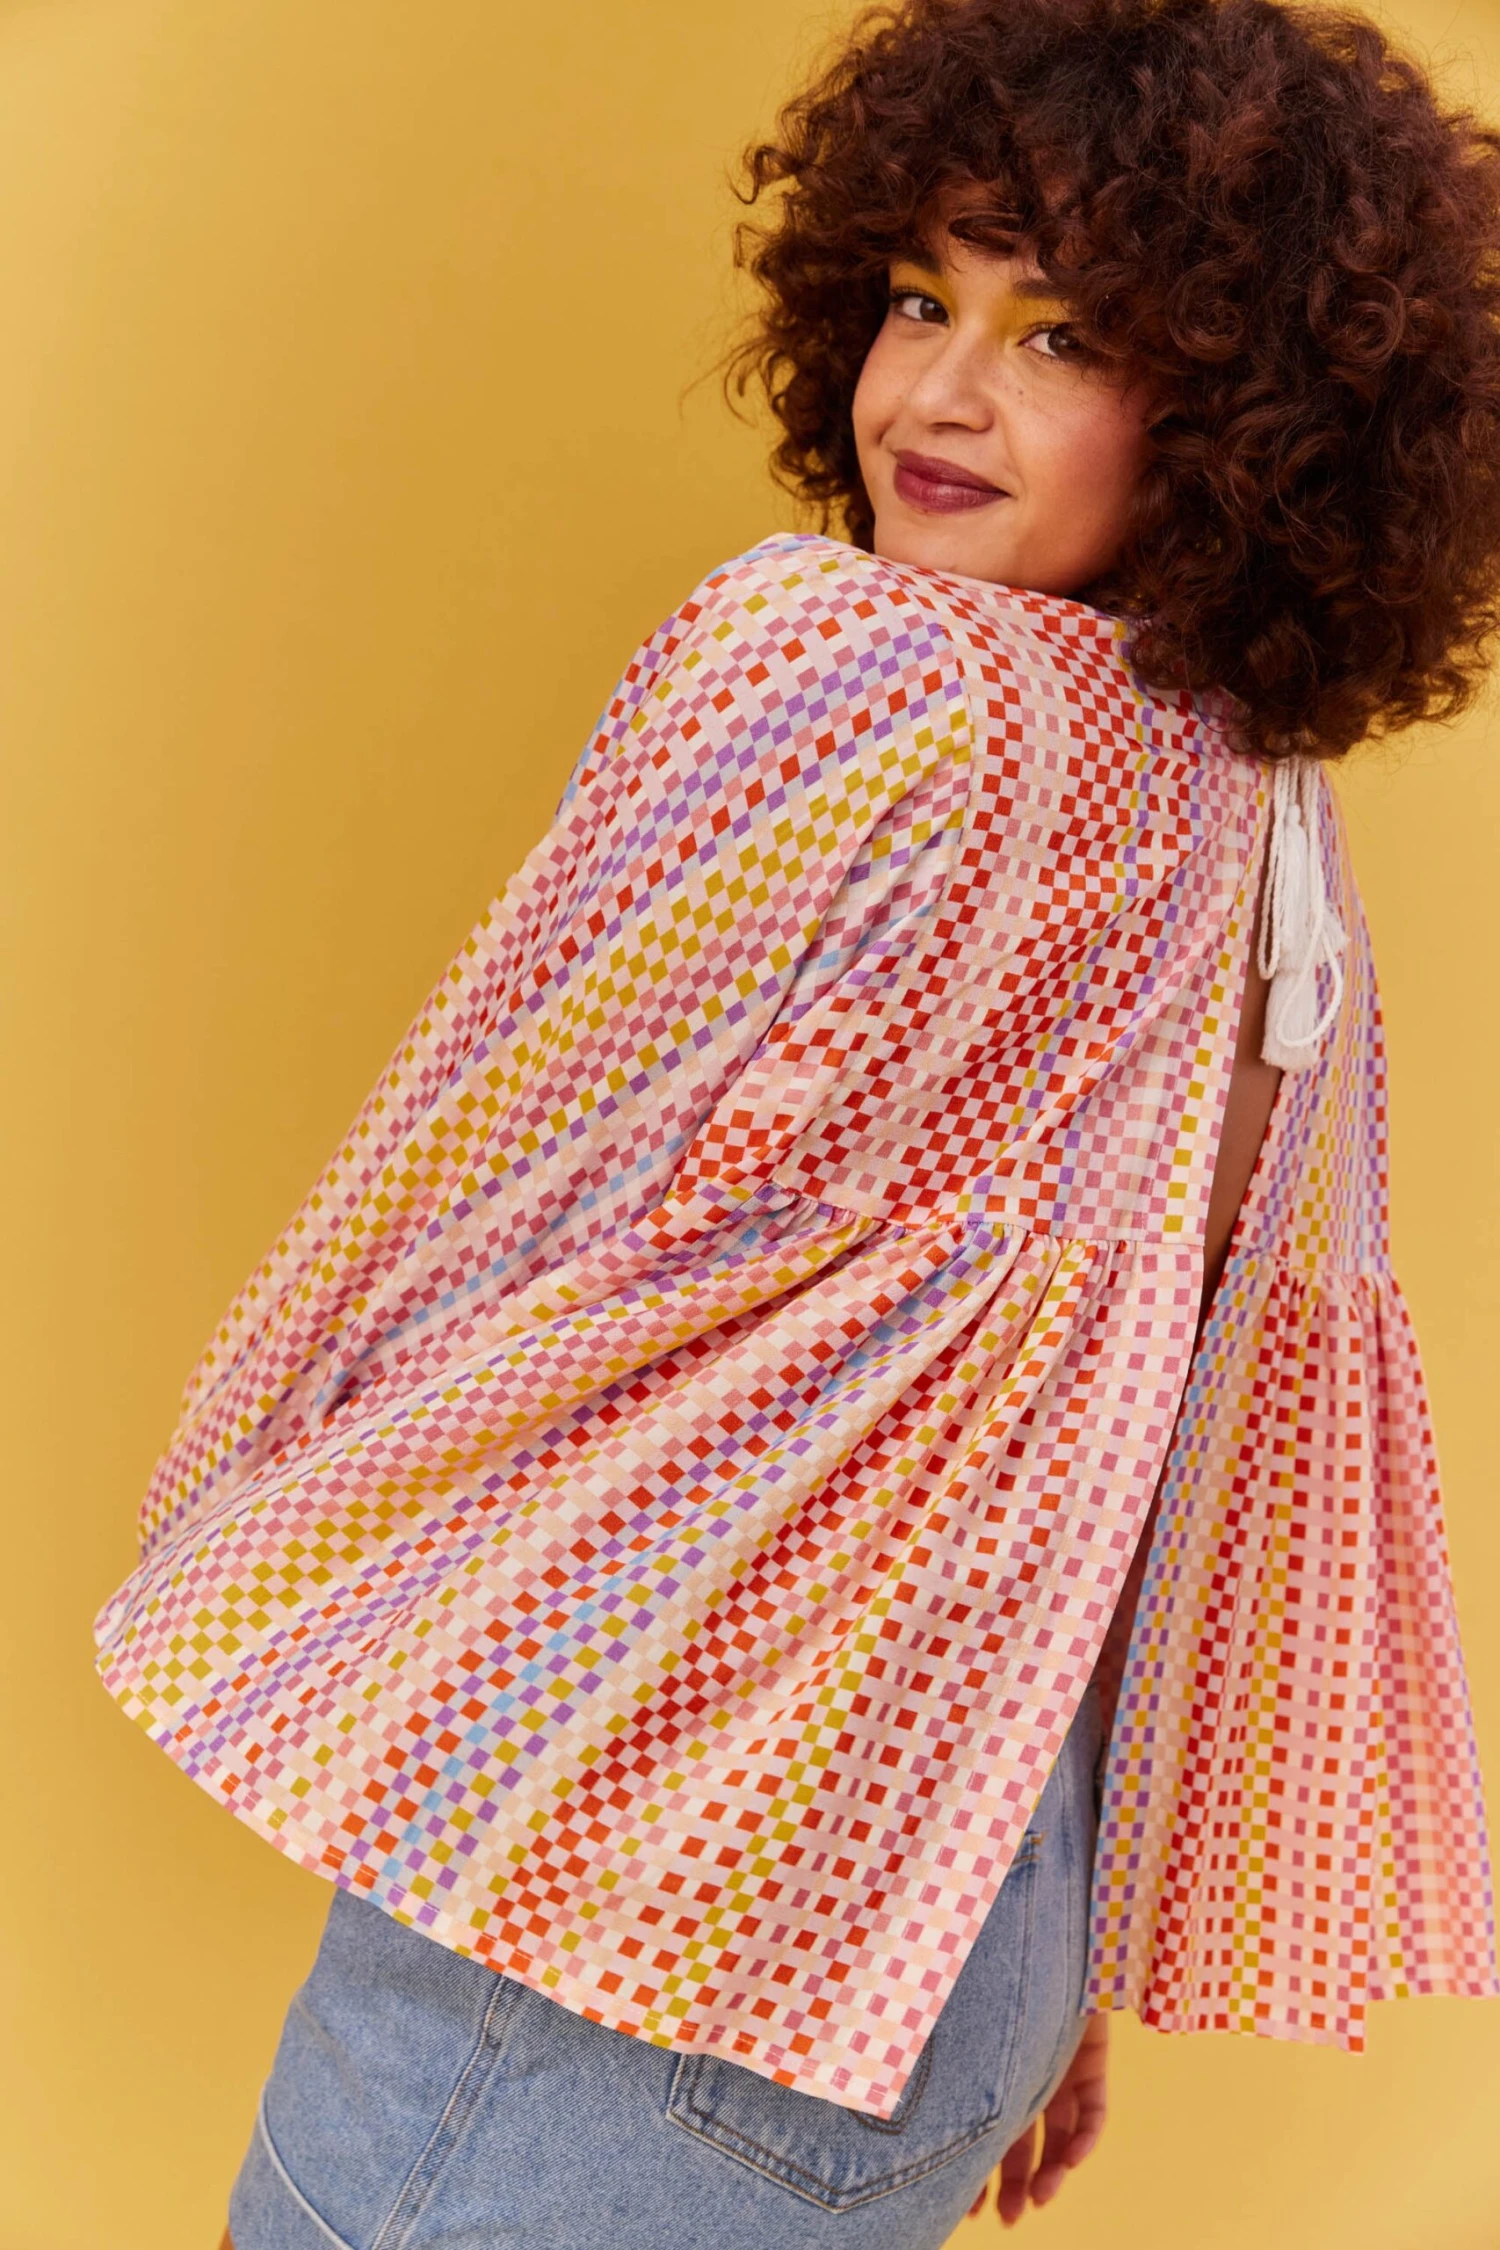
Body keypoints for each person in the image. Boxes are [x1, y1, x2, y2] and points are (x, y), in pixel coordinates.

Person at [93, 0, 1500, 2243]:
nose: (935, 395)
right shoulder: (1263, 818)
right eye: (921, 300)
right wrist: (1031, 1954)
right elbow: (1175, 1421)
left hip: (637, 1904)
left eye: (1062, 338)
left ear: (1244, 416)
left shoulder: (855, 660)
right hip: (951, 1927)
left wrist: (256, 1539)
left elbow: (502, 1182)